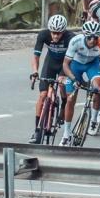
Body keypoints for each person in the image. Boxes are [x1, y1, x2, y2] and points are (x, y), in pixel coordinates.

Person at [62, 20, 100, 142]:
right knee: (70, 99)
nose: (92, 40)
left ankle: (94, 120)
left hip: (92, 65)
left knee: (99, 87)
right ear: (84, 35)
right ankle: (66, 133)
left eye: (95, 37)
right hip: (75, 65)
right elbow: (65, 64)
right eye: (89, 37)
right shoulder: (76, 41)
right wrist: (74, 79)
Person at [29, 14, 74, 143]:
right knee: (42, 95)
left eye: (59, 34)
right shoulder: (43, 35)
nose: (55, 36)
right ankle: (37, 131)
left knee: (61, 83)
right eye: (53, 33)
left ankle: (64, 103)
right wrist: (35, 72)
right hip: (50, 62)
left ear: (64, 31)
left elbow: (75, 58)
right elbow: (36, 56)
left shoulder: (71, 38)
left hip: (64, 64)